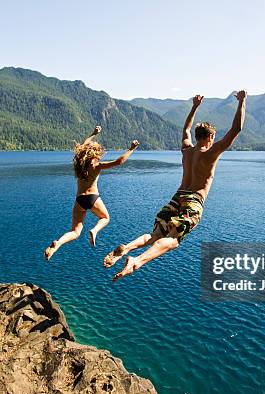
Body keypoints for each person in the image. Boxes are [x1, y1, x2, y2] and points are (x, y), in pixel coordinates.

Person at [104, 91, 247, 281]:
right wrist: (242, 102)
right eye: (214, 137)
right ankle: (136, 261)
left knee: (154, 235)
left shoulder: (187, 150)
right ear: (211, 137)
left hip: (177, 197)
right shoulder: (212, 153)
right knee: (173, 240)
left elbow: (186, 130)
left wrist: (194, 107)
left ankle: (127, 247)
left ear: (197, 136)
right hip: (194, 201)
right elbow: (236, 129)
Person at [45, 126, 140, 260]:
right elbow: (119, 162)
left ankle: (58, 243)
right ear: (95, 153)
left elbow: (83, 145)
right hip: (92, 198)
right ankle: (94, 230)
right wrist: (131, 149)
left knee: (75, 231)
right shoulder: (97, 166)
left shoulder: (78, 164)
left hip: (79, 199)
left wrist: (93, 134)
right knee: (105, 218)